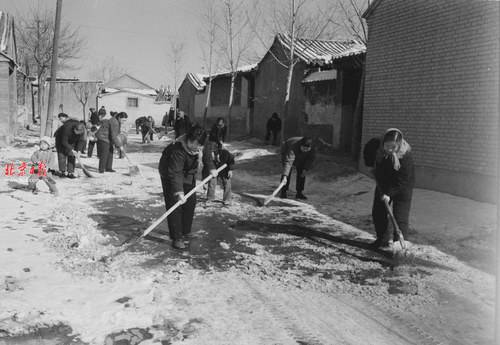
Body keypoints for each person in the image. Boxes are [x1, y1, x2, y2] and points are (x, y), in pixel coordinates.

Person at [158, 124, 215, 250]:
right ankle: (177, 237)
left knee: (190, 203)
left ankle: (185, 231)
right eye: (191, 143)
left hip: (188, 173)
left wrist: (211, 168)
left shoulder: (203, 144)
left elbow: (207, 157)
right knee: (175, 205)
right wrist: (179, 192)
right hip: (170, 173)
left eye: (197, 145)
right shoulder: (178, 149)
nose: (193, 146)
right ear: (188, 138)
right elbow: (175, 172)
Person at [370, 128, 415, 250]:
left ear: (399, 145)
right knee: (378, 212)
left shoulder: (406, 156)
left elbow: (403, 180)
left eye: (393, 147)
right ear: (383, 143)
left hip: (403, 187)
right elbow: (368, 153)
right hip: (384, 183)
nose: (390, 150)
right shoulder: (377, 147)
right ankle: (382, 240)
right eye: (387, 146)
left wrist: (389, 194)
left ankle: (400, 247)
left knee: (400, 217)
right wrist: (370, 164)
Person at [202, 140, 235, 204]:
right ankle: (210, 198)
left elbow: (231, 160)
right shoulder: (208, 157)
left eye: (213, 152)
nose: (211, 153)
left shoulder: (225, 152)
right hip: (214, 170)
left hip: (225, 169)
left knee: (227, 183)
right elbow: (205, 168)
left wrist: (230, 170)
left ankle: (227, 199)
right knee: (212, 182)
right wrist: (204, 181)